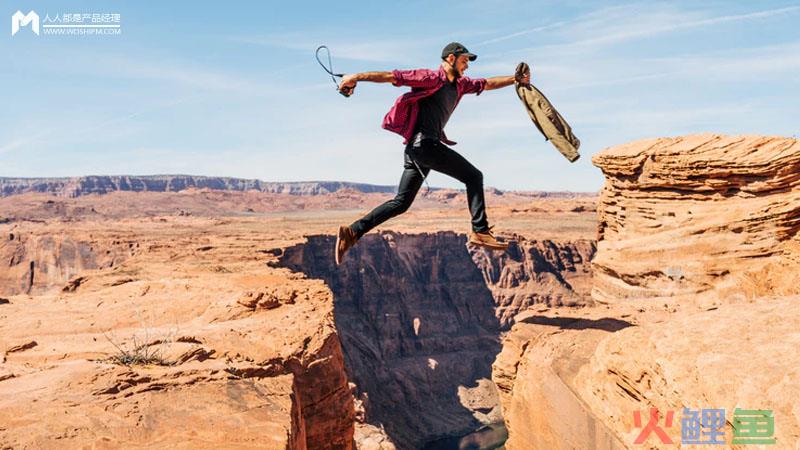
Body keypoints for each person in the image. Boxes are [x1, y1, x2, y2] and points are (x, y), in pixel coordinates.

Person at [335, 42, 528, 265]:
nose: (467, 66)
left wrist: (515, 80)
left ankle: (352, 232)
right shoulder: (430, 77)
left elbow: (487, 83)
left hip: (416, 151)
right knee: (474, 177)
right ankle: (480, 230)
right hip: (424, 146)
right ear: (451, 59)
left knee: (401, 203)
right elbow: (391, 76)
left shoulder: (461, 85)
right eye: (464, 60)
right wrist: (355, 77)